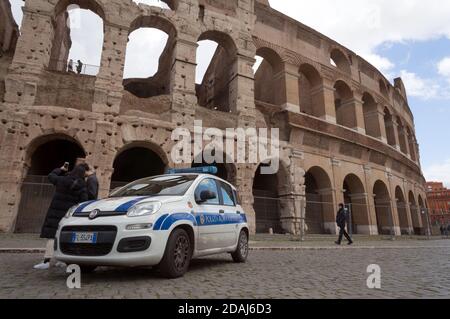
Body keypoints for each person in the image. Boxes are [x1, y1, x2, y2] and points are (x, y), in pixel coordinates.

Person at [34, 164, 88, 270]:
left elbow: (51, 176)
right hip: (68, 214)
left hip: (55, 211)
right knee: (64, 236)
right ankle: (61, 260)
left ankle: (47, 261)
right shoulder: (82, 186)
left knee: (52, 236)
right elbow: (84, 201)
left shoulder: (62, 180)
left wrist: (61, 169)